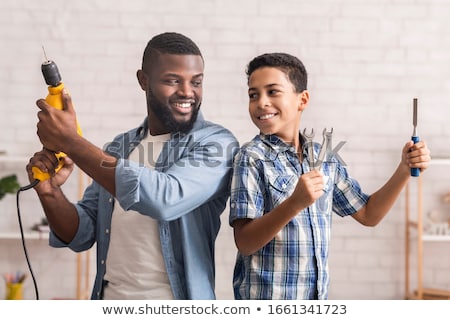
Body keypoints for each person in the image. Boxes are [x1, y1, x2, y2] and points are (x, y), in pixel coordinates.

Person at [26, 32, 239, 299]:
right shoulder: (119, 147)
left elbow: (165, 199)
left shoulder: (216, 143)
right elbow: (81, 234)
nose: (187, 92)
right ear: (143, 80)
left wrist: (71, 142)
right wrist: (49, 193)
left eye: (196, 82)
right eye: (173, 80)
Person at [228, 52, 431, 300]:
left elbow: (369, 214)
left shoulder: (324, 157)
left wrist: (403, 169)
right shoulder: (250, 157)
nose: (261, 102)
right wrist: (294, 203)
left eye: (272, 92)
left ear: (302, 100)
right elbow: (245, 242)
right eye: (253, 94)